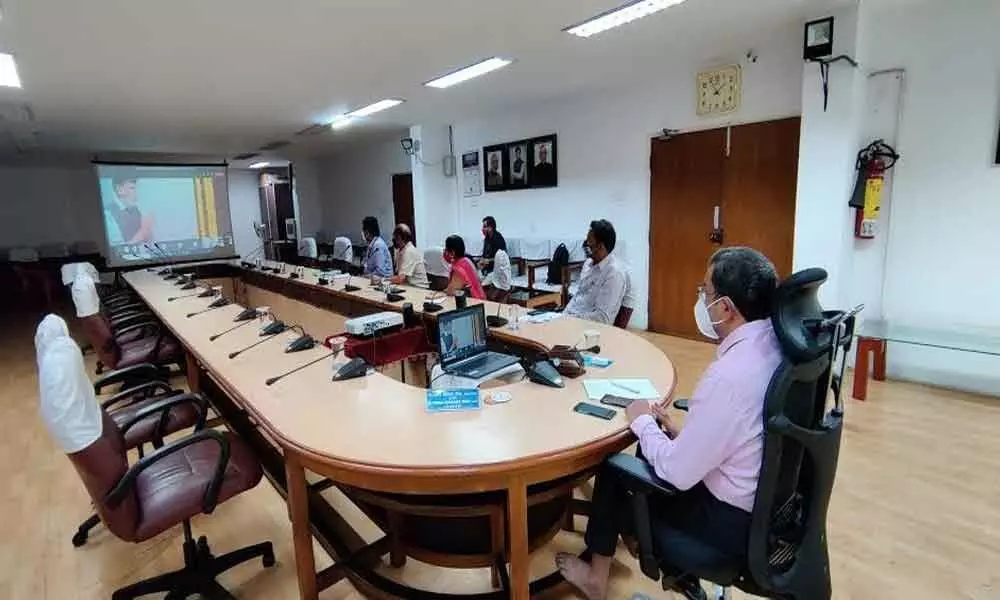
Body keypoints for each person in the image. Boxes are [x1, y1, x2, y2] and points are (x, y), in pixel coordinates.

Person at [556, 247, 782, 600]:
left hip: (724, 524)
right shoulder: (774, 347)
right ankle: (635, 538)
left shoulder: (728, 377)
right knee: (656, 437)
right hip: (760, 504)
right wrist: (680, 432)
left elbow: (677, 473)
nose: (701, 300)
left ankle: (598, 576)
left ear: (725, 307)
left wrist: (642, 420)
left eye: (705, 292)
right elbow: (743, 431)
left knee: (616, 466)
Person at [563, 220, 626, 325]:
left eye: (589, 243)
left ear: (600, 247)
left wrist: (571, 319)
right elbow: (577, 297)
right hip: (569, 320)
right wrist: (562, 316)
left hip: (588, 329)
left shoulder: (614, 274)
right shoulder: (588, 264)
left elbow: (602, 318)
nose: (585, 245)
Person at [108, 176, 154, 243]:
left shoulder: (137, 210)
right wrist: (144, 230)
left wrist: (148, 232)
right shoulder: (108, 215)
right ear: (119, 189)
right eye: (132, 188)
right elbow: (118, 249)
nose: (137, 194)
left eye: (139, 188)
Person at [443, 235, 485, 300]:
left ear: (452, 252)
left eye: (446, 249)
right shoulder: (466, 260)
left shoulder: (458, 269)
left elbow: (451, 292)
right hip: (479, 298)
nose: (444, 251)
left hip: (473, 303)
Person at [389, 224, 429, 288]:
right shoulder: (401, 250)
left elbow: (400, 279)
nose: (393, 240)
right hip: (409, 287)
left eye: (395, 237)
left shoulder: (409, 251)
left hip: (419, 289)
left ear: (400, 238)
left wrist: (384, 280)